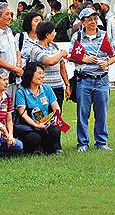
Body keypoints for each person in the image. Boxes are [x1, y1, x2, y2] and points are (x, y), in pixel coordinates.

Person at [71, 8, 115, 152]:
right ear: (83, 22)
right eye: (89, 19)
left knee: (102, 113)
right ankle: (82, 143)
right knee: (82, 113)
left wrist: (107, 63)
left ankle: (101, 142)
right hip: (84, 79)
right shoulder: (77, 37)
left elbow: (114, 56)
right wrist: (84, 59)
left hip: (102, 79)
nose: (93, 22)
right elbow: (71, 56)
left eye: (95, 19)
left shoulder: (104, 36)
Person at [30, 21, 69, 151]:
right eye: (53, 32)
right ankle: (42, 145)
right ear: (47, 34)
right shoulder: (36, 49)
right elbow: (49, 61)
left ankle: (56, 146)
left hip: (57, 87)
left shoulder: (55, 47)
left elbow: (62, 66)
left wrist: (67, 84)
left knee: (57, 115)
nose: (55, 34)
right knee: (41, 115)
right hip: (42, 89)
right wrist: (61, 54)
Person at [14, 62, 61, 154]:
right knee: (34, 138)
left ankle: (53, 149)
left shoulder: (47, 88)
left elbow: (56, 109)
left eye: (43, 73)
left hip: (45, 122)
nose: (42, 76)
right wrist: (36, 125)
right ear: (30, 74)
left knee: (54, 131)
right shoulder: (21, 92)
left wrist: (52, 120)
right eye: (39, 73)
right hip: (29, 125)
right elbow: (23, 114)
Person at [0, 72, 23, 156]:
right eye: (4, 80)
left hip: (3, 133)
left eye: (7, 79)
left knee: (19, 146)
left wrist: (10, 135)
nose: (7, 82)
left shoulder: (8, 97)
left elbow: (9, 120)